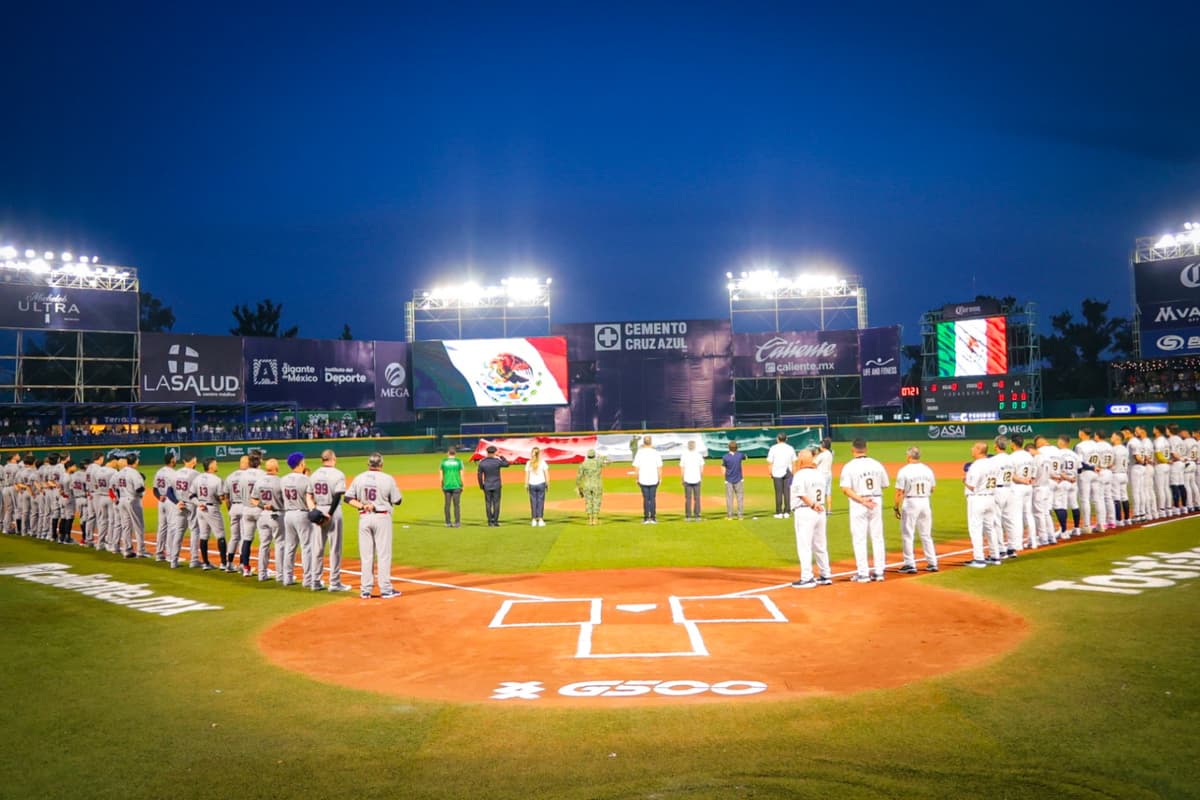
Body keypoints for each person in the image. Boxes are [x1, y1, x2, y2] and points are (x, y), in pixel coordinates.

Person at [346, 453, 403, 599]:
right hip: (382, 517)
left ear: (368, 464)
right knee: (383, 555)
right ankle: (385, 589)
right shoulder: (387, 478)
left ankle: (365, 590)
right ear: (381, 465)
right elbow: (397, 500)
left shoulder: (359, 477)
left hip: (364, 517)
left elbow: (347, 498)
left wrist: (363, 505)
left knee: (366, 556)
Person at [839, 438, 890, 581]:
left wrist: (862, 500)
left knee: (859, 538)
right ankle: (879, 572)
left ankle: (863, 573)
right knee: (877, 537)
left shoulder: (849, 466)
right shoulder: (877, 464)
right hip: (876, 501)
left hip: (859, 502)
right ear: (866, 448)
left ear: (852, 449)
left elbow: (845, 489)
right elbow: (885, 484)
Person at [788, 449, 832, 588]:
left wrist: (812, 504)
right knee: (820, 545)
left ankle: (807, 577)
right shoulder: (819, 474)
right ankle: (825, 575)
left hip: (806, 510)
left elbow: (800, 494)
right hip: (820, 510)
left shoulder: (800, 475)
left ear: (801, 461)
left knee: (804, 546)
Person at [893, 446, 938, 573]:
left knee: (908, 534)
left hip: (911, 502)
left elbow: (899, 492)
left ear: (908, 456)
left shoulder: (904, 471)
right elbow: (933, 488)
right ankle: (932, 563)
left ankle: (910, 564)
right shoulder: (927, 469)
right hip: (925, 502)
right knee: (926, 535)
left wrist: (896, 507)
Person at [280, 452, 318, 589]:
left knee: (290, 547)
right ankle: (307, 579)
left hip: (288, 515)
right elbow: (312, 499)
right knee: (307, 547)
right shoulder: (306, 480)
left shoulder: (283, 479)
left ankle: (287, 577)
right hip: (302, 515)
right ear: (301, 464)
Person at [964, 442, 1003, 567]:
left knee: (975, 529)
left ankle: (979, 559)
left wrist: (964, 481)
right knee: (990, 528)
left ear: (979, 450)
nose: (971, 449)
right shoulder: (993, 463)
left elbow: (972, 486)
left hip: (978, 499)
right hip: (990, 498)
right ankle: (995, 556)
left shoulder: (977, 466)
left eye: (974, 447)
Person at [249, 458, 284, 583]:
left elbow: (253, 499)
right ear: (276, 468)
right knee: (280, 545)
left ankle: (262, 574)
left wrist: (263, 506)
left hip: (262, 515)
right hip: (276, 515)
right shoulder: (280, 482)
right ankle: (280, 575)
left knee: (264, 545)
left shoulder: (259, 481)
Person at [189, 458, 227, 570]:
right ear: (210, 466)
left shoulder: (197, 478)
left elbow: (191, 495)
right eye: (215, 464)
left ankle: (205, 563)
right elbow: (221, 497)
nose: (217, 465)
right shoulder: (217, 480)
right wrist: (220, 499)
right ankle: (224, 564)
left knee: (204, 536)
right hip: (212, 509)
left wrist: (199, 504)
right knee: (220, 535)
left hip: (200, 509)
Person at [237, 453, 267, 578]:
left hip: (246, 509)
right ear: (259, 461)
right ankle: (262, 571)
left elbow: (239, 490)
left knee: (247, 539)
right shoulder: (263, 475)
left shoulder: (241, 475)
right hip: (259, 510)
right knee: (264, 541)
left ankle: (245, 567)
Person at [115, 453, 147, 558]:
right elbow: (139, 488)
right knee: (138, 526)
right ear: (135, 461)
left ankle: (127, 550)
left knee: (126, 526)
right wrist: (144, 489)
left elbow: (115, 488)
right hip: (133, 500)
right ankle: (141, 551)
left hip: (122, 500)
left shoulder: (120, 472)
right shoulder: (134, 473)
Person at [991, 435, 1018, 558]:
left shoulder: (994, 460)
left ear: (995, 445)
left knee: (997, 521)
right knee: (1009, 520)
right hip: (1010, 489)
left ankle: (1001, 549)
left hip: (998, 490)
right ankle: (1012, 548)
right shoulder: (1011, 459)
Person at [172, 455, 201, 566]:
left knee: (179, 531)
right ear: (193, 462)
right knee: (194, 530)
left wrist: (176, 502)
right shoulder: (196, 474)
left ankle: (173, 561)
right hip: (191, 504)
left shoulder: (176, 473)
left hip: (179, 504)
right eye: (195, 461)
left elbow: (169, 490)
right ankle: (194, 560)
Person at [152, 453, 178, 562]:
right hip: (170, 501)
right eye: (175, 458)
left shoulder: (159, 472)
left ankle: (159, 553)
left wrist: (159, 497)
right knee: (172, 527)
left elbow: (154, 489)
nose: (176, 460)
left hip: (161, 501)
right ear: (172, 460)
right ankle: (170, 555)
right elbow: (174, 491)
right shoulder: (173, 473)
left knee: (162, 527)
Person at [476, 445, 511, 527]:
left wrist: (481, 485)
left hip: (487, 484)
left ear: (487, 452)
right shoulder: (497, 461)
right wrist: (501, 456)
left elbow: (479, 475)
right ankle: (495, 521)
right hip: (496, 484)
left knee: (488, 503)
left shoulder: (482, 462)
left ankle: (489, 521)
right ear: (495, 452)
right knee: (496, 503)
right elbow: (507, 464)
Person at [225, 456, 249, 572]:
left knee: (234, 537)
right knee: (244, 537)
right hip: (244, 506)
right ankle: (241, 564)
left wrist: (229, 508)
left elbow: (226, 496)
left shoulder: (230, 476)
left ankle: (228, 563)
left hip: (233, 507)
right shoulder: (248, 477)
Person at [632, 435, 662, 524]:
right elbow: (659, 467)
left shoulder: (639, 453)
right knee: (652, 498)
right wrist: (660, 478)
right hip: (653, 478)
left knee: (645, 498)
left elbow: (636, 468)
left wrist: (637, 478)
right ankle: (653, 518)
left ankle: (646, 518)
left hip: (643, 478)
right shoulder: (655, 452)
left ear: (643, 442)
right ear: (651, 442)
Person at [767, 433, 797, 519]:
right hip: (788, 472)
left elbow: (770, 462)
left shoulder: (773, 448)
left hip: (777, 472)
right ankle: (787, 511)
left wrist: (770, 472)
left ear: (778, 439)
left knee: (778, 492)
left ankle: (779, 512)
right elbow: (794, 462)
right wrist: (794, 474)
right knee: (787, 492)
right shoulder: (790, 448)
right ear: (786, 439)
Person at [575, 449, 604, 525]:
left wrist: (578, 486)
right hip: (597, 484)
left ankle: (590, 520)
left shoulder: (583, 464)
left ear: (587, 455)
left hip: (587, 484)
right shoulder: (598, 462)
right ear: (594, 455)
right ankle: (595, 519)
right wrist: (601, 457)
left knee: (588, 502)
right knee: (596, 501)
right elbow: (609, 461)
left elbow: (579, 477)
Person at [679, 439, 705, 521]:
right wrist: (700, 476)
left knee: (688, 498)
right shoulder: (698, 455)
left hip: (687, 478)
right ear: (694, 446)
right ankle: (697, 515)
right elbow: (701, 468)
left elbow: (682, 468)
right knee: (697, 498)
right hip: (696, 478)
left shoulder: (684, 455)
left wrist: (682, 478)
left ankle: (688, 516)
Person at [525, 446, 550, 526]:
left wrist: (526, 484)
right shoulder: (542, 462)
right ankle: (540, 519)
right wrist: (547, 483)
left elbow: (527, 475)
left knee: (533, 502)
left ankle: (533, 520)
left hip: (532, 484)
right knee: (540, 502)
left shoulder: (529, 463)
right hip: (541, 483)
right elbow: (546, 474)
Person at [721, 441, 747, 520]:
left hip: (729, 479)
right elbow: (745, 457)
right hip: (739, 479)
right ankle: (740, 515)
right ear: (736, 448)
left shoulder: (725, 457)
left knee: (729, 498)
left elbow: (723, 467)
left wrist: (725, 476)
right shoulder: (739, 455)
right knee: (740, 497)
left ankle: (730, 515)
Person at [439, 446, 463, 528]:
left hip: (447, 485)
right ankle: (457, 522)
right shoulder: (459, 461)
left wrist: (442, 484)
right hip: (456, 485)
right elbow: (461, 474)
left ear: (448, 453)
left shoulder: (443, 462)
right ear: (455, 453)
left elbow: (441, 475)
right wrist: (462, 484)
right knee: (457, 505)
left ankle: (448, 522)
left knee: (447, 505)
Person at [814, 438, 834, 513]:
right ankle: (829, 510)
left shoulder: (821, 455)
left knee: (820, 492)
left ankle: (821, 508)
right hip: (829, 474)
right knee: (828, 492)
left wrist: (816, 454)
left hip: (821, 475)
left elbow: (813, 463)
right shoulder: (830, 453)